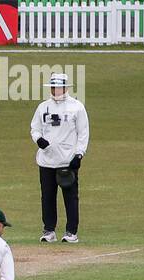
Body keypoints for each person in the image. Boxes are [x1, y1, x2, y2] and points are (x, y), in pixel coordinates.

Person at [30, 72, 89, 243]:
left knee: (70, 197)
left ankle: (71, 232)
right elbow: (35, 127)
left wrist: (79, 154)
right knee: (47, 196)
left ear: (65, 88)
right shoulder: (43, 107)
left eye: (58, 87)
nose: (55, 90)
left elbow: (83, 133)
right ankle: (49, 230)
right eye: (53, 88)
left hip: (67, 159)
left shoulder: (76, 107)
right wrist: (38, 139)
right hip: (46, 160)